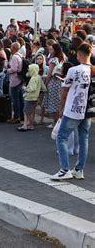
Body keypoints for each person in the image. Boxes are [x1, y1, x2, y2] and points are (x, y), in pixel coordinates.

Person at [51, 43, 92, 181]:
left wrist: (61, 108)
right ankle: (79, 169)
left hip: (73, 108)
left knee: (61, 137)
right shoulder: (92, 70)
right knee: (83, 139)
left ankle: (64, 169)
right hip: (88, 109)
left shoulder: (74, 70)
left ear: (79, 54)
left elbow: (64, 91)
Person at [43, 43, 66, 128]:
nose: (50, 50)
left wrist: (45, 83)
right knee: (58, 103)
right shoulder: (63, 58)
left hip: (53, 82)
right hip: (60, 82)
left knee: (52, 103)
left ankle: (55, 123)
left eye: (51, 49)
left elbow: (49, 74)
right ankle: (58, 122)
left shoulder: (53, 60)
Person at [18, 64, 46, 131]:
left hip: (29, 97)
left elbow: (32, 89)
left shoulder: (33, 78)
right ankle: (29, 125)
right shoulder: (38, 77)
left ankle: (28, 125)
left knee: (26, 112)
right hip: (35, 97)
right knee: (29, 111)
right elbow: (43, 88)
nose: (28, 70)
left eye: (29, 69)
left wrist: (24, 88)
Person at [6, 42, 24, 124]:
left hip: (14, 80)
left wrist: (7, 70)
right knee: (20, 99)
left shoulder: (14, 57)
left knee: (15, 99)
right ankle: (21, 115)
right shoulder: (20, 55)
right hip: (20, 79)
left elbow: (14, 69)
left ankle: (16, 117)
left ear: (13, 48)